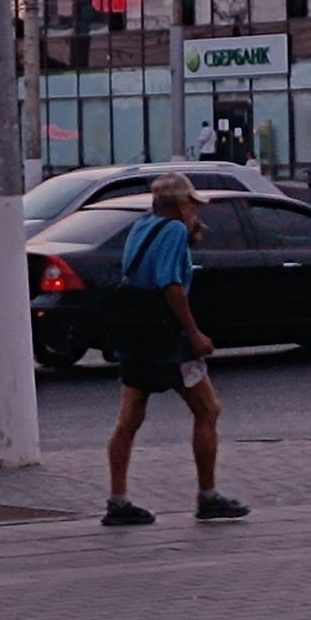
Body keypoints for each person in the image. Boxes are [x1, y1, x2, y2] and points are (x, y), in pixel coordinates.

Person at [103, 173, 248, 527]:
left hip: (136, 335)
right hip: (168, 339)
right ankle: (208, 496)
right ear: (182, 205)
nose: (196, 211)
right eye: (193, 205)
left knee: (129, 419)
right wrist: (195, 334)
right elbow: (171, 287)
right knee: (208, 409)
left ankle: (118, 500)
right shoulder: (173, 232)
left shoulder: (142, 227)